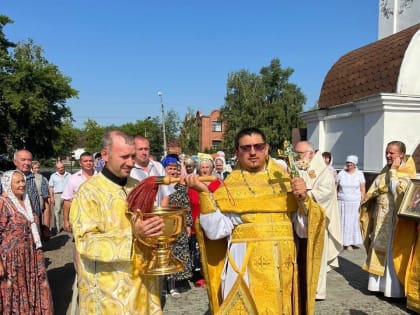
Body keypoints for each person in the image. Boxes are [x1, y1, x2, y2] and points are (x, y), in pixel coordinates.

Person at [185, 127, 325, 314]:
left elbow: (303, 230)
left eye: (258, 146)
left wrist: (303, 200)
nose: (252, 152)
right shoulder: (229, 188)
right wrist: (204, 193)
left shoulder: (285, 182)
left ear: (266, 149)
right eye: (246, 148)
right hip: (245, 269)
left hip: (282, 271)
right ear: (237, 152)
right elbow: (215, 231)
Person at [69, 130, 165, 314]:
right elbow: (86, 243)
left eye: (133, 156)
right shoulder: (88, 192)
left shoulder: (137, 185)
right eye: (124, 157)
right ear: (105, 155)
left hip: (141, 284)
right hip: (108, 292)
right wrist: (133, 234)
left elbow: (147, 226)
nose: (131, 162)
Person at [360, 141, 416, 301]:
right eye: (387, 152)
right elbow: (375, 188)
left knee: (392, 253)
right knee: (377, 249)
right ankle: (376, 285)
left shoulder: (406, 173)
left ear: (401, 155)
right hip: (380, 219)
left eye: (391, 153)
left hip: (395, 223)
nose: (388, 155)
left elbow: (398, 193)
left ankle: (392, 290)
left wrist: (394, 172)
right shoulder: (385, 172)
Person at [294, 141, 342, 300]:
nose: (296, 157)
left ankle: (316, 290)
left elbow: (326, 193)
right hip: (300, 219)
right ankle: (301, 286)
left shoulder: (323, 172)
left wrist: (306, 194)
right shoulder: (300, 168)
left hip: (317, 221)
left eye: (299, 154)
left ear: (310, 154)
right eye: (295, 154)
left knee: (316, 256)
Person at [0, 170, 54, 314]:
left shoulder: (26, 200)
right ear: (8, 184)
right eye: (17, 182)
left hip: (32, 253)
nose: (22, 184)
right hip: (12, 259)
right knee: (15, 291)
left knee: (36, 286)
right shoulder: (3, 203)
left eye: (23, 181)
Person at [161, 155, 193, 298]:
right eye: (170, 168)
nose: (173, 171)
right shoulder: (161, 184)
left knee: (176, 255)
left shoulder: (182, 185)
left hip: (179, 224)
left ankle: (173, 286)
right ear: (164, 169)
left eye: (175, 169)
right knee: (164, 255)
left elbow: (186, 205)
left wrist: (188, 224)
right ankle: (163, 287)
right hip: (163, 224)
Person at [187, 157, 220, 288]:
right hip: (196, 220)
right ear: (198, 169)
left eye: (207, 167)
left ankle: (212, 273)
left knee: (212, 248)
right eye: (202, 167)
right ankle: (201, 275)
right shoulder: (192, 183)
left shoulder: (218, 183)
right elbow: (188, 204)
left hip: (213, 220)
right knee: (198, 250)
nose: (205, 169)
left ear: (211, 169)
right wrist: (188, 224)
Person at [12, 150, 51, 240]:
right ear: (15, 162)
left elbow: (46, 206)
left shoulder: (40, 179)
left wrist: (46, 227)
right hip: (14, 231)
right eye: (23, 160)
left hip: (35, 228)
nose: (27, 163)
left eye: (29, 160)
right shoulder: (6, 180)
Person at [130, 135, 171, 206]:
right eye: (140, 149)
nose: (144, 152)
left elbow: (166, 194)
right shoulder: (129, 170)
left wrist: (161, 214)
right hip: (138, 215)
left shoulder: (158, 167)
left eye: (146, 149)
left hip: (159, 214)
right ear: (133, 150)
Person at [336, 155, 366, 251]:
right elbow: (335, 187)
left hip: (354, 203)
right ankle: (341, 242)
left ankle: (349, 243)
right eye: (347, 162)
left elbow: (362, 189)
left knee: (351, 223)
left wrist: (362, 200)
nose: (349, 164)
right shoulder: (341, 173)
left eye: (351, 163)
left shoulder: (359, 174)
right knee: (342, 222)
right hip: (342, 202)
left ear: (354, 164)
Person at [62, 151, 96, 232]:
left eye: (90, 161)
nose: (88, 163)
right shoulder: (73, 179)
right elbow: (67, 201)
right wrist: (66, 221)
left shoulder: (100, 177)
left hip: (98, 220)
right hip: (80, 220)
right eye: (85, 161)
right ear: (80, 163)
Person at [48, 161, 70, 234]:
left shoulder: (69, 175)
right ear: (56, 168)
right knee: (57, 212)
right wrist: (51, 197)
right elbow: (51, 187)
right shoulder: (53, 176)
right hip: (57, 195)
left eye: (62, 167)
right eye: (59, 168)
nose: (61, 169)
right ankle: (57, 228)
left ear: (64, 167)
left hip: (67, 195)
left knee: (67, 211)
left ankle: (66, 226)